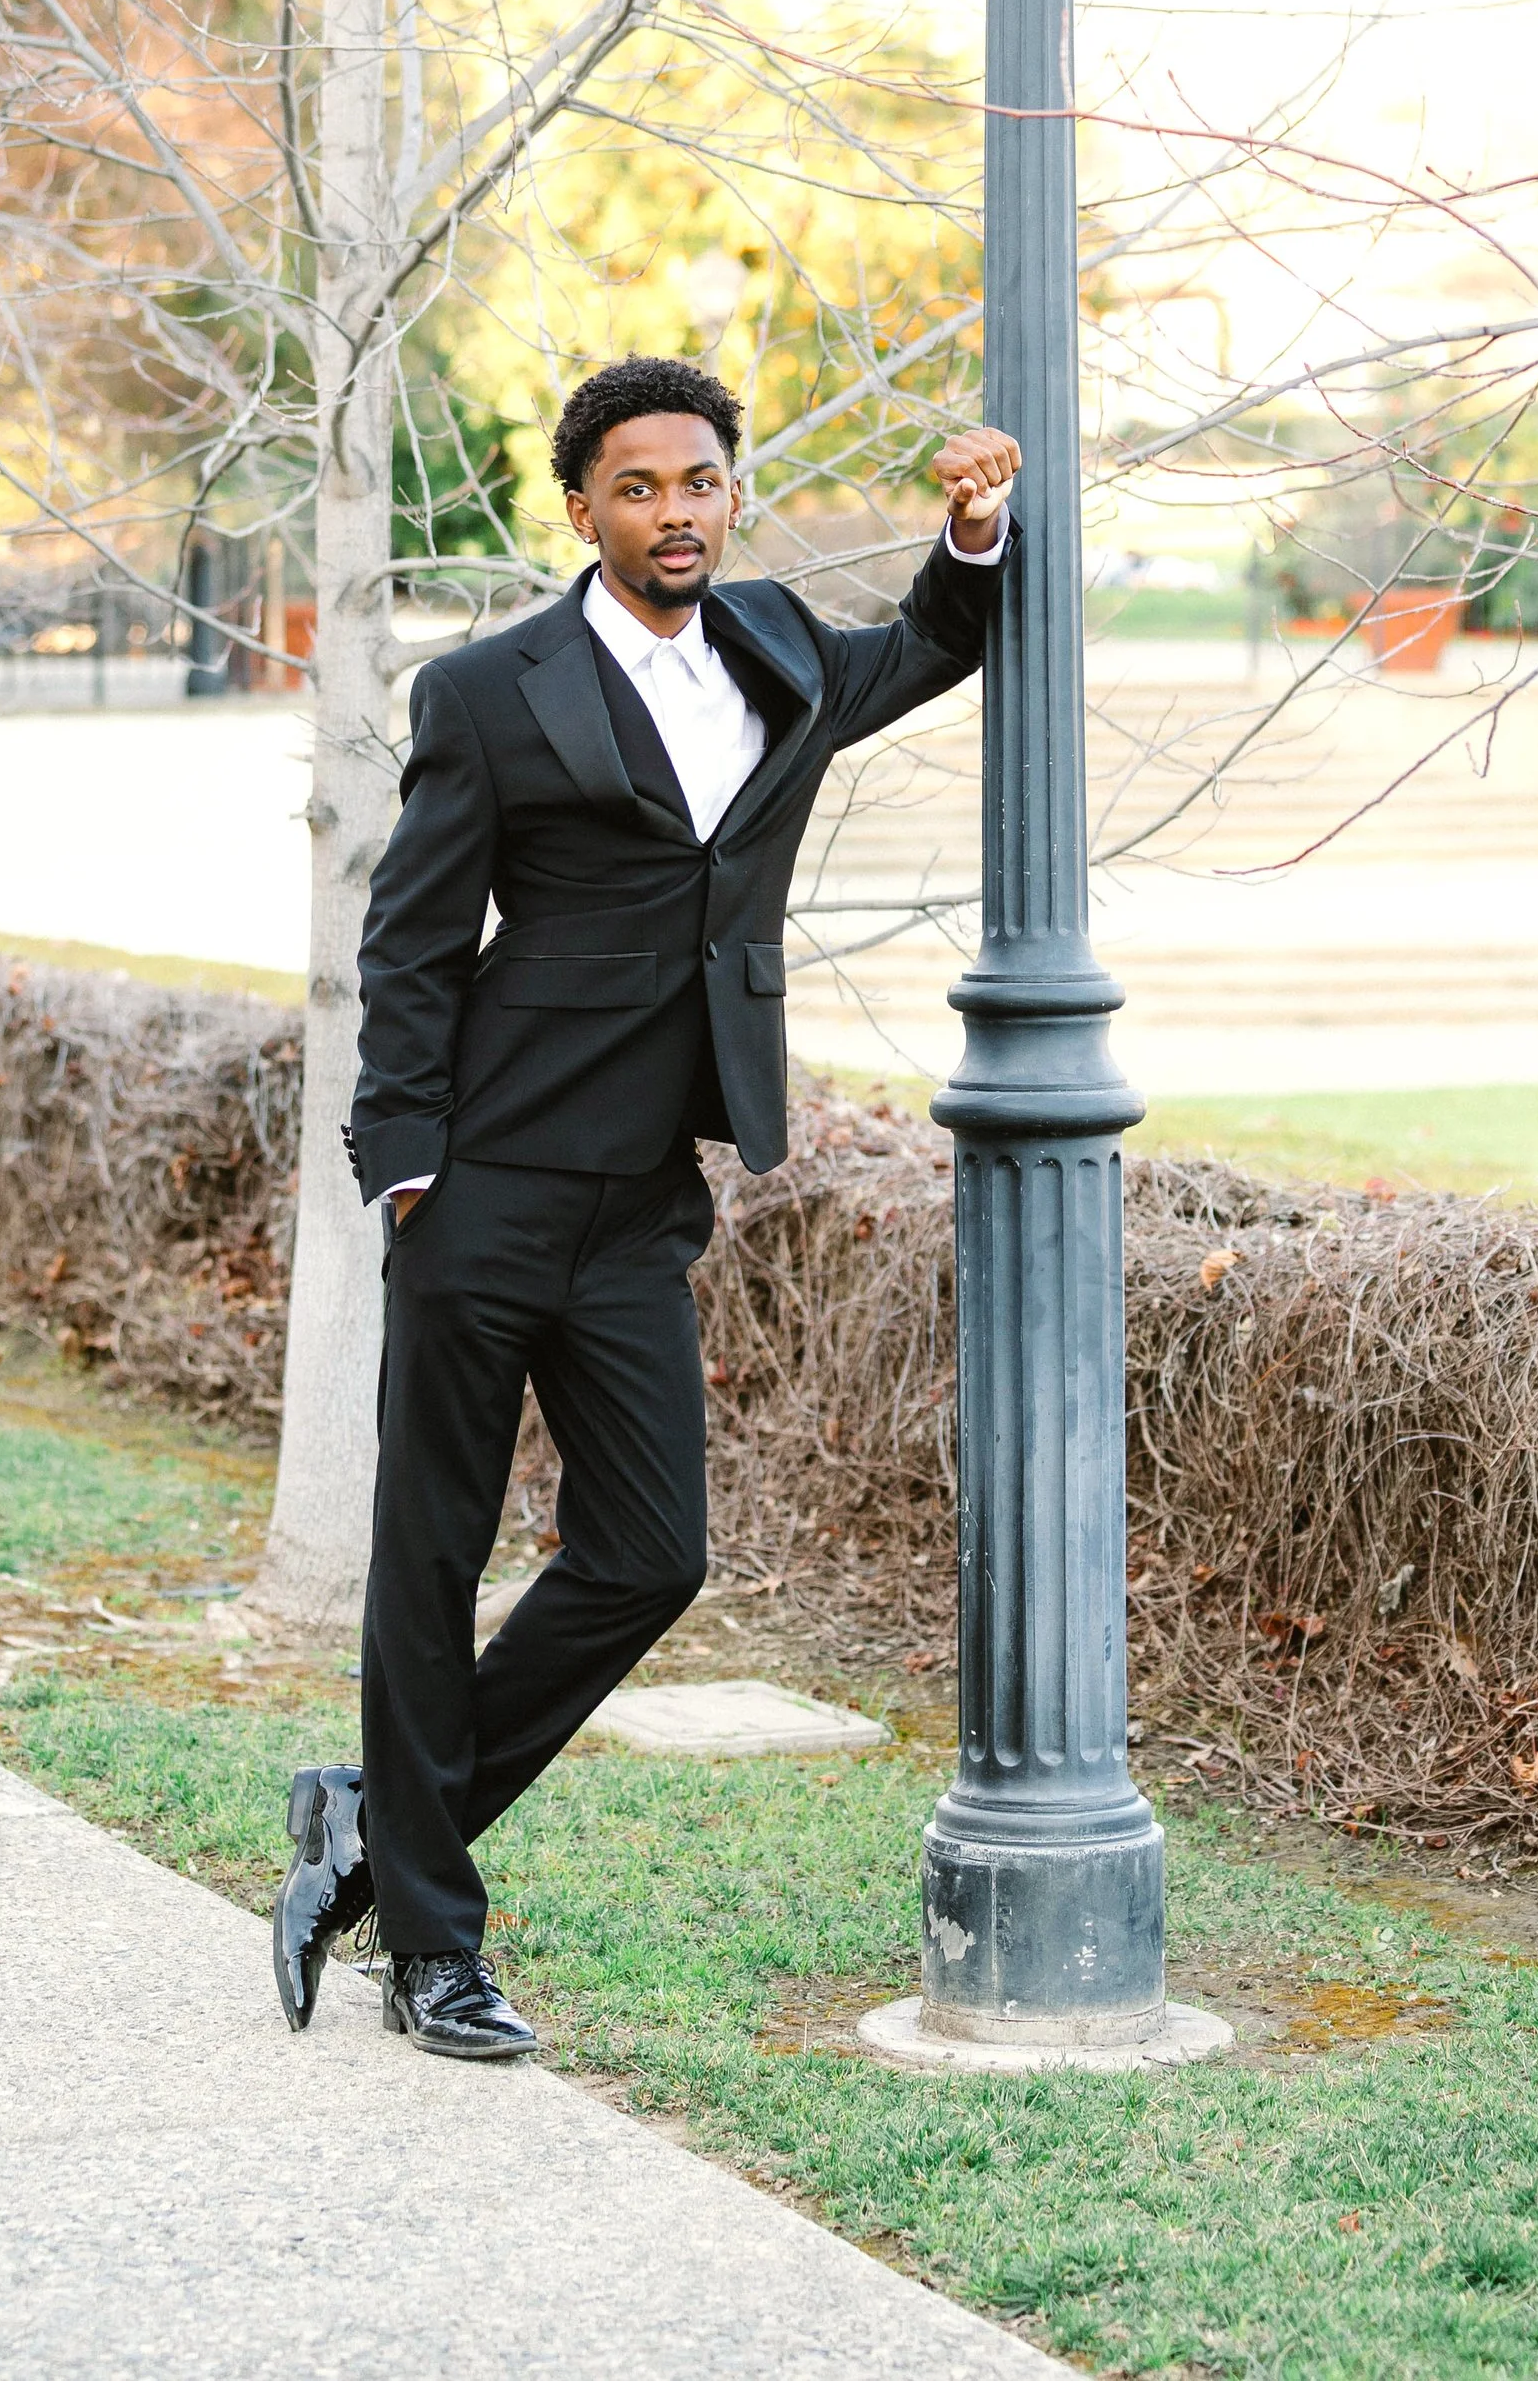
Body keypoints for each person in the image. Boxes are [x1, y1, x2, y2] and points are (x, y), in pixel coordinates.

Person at [273, 352, 1020, 2060]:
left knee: (648, 1552)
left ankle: (374, 1817)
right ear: (583, 507)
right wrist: (406, 1173)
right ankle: (432, 1950)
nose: (674, 511)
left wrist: (972, 535)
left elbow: (927, 647)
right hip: (482, 1187)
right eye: (638, 487)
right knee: (432, 1557)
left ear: (728, 490)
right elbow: (409, 943)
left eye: (698, 481)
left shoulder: (772, 648)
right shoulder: (490, 688)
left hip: (643, 1203)